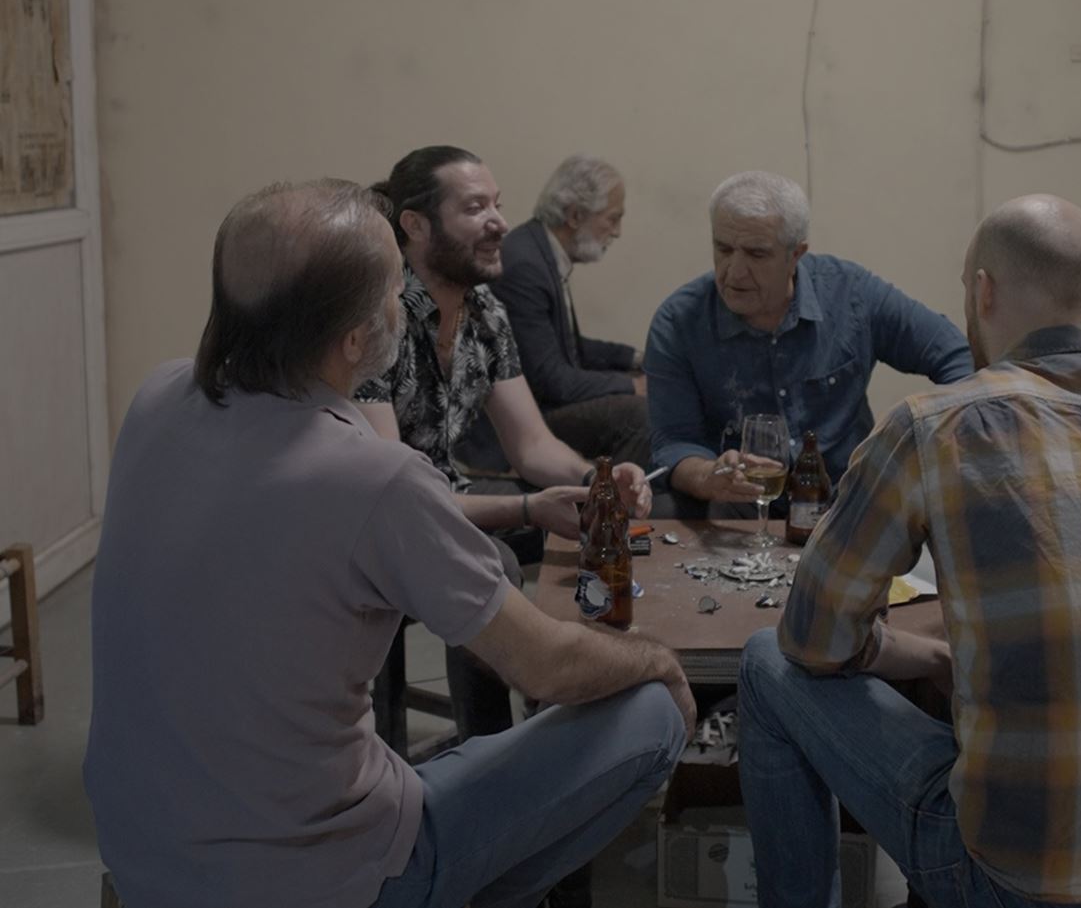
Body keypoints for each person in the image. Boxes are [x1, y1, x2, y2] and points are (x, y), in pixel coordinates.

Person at [83, 179, 692, 908]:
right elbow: (545, 666)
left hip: (144, 852)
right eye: (397, 286)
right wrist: (658, 659)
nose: (407, 300)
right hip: (313, 880)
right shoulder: (375, 479)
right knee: (650, 713)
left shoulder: (157, 395)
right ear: (353, 338)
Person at [739, 194, 1081, 908]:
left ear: (983, 291)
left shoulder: (932, 425)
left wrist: (920, 653)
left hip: (1028, 886)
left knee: (767, 661)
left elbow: (813, 639)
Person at [356, 146, 653, 908]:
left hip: (439, 501)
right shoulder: (377, 317)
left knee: (565, 533)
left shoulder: (485, 312)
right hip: (367, 525)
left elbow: (531, 447)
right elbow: (390, 493)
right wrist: (526, 506)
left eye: (497, 202)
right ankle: (491, 770)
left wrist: (597, 483)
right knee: (487, 549)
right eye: (475, 207)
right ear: (416, 225)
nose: (498, 222)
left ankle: (557, 732)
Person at [644, 171, 973, 512]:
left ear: (796, 254)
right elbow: (674, 442)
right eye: (723, 249)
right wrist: (707, 475)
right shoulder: (679, 321)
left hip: (846, 505)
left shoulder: (850, 295)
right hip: (738, 508)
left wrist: (940, 442)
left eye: (757, 254)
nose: (735, 271)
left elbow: (954, 355)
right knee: (664, 511)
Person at [491, 154, 651, 469]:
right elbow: (552, 381)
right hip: (526, 422)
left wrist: (635, 359)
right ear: (575, 216)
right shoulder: (525, 265)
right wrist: (634, 386)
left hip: (543, 403)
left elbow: (568, 346)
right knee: (639, 415)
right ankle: (612, 496)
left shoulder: (539, 251)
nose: (617, 232)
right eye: (613, 219)